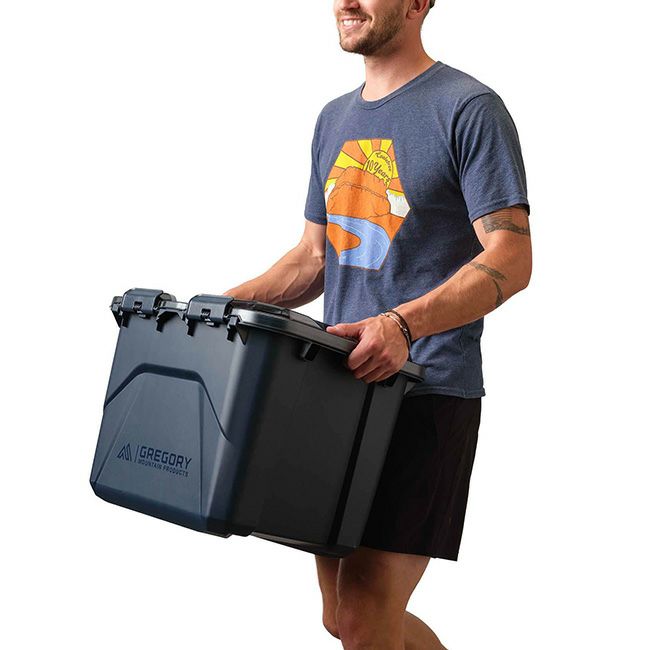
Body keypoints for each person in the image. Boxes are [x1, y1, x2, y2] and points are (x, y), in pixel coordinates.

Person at [223, 0, 532, 647]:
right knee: (343, 619)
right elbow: (313, 259)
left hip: (424, 389)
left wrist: (402, 324)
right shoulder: (333, 118)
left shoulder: (468, 108)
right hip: (335, 392)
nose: (346, 2)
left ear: (418, 3)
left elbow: (511, 255)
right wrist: (223, 305)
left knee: (366, 615)